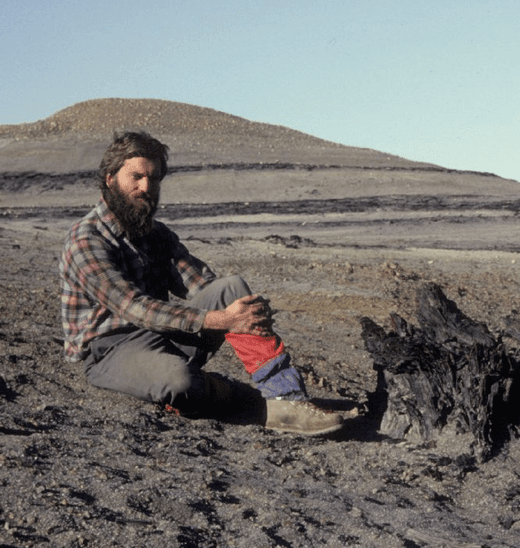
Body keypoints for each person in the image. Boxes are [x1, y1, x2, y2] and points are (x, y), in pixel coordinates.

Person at [59, 131, 345, 435]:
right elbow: (133, 308)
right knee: (181, 382)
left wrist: (247, 310)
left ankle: (290, 399)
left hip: (158, 332)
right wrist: (223, 319)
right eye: (137, 177)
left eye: (154, 179)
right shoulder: (86, 239)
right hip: (111, 351)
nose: (146, 187)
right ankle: (250, 401)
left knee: (233, 289)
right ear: (109, 178)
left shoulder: (156, 233)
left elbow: (202, 284)